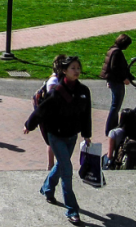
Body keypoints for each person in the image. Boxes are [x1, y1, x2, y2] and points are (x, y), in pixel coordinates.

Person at [24, 56, 93, 225]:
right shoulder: (57, 91)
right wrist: (29, 125)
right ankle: (72, 210)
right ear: (64, 71)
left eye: (78, 68)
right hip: (56, 135)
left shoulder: (84, 91)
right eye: (73, 68)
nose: (77, 71)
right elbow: (41, 110)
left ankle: (47, 188)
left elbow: (86, 114)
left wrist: (87, 134)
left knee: (61, 165)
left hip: (72, 135)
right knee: (67, 169)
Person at [101, 34, 133, 136]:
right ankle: (110, 128)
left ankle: (113, 126)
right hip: (117, 81)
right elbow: (114, 68)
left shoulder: (112, 50)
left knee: (115, 105)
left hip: (113, 80)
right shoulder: (117, 52)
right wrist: (124, 79)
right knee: (116, 105)